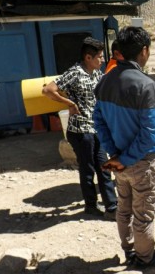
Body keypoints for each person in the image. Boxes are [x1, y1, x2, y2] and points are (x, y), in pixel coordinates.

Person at [92, 26, 155, 269]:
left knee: (123, 209)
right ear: (144, 51)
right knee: (143, 215)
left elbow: (99, 122)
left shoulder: (104, 81)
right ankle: (146, 258)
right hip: (142, 162)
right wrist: (126, 158)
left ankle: (129, 251)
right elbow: (148, 136)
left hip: (119, 161)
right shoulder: (145, 85)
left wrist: (115, 154)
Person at [42, 37, 117, 220]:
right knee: (88, 169)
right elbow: (48, 90)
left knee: (104, 167)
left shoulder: (98, 74)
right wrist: (69, 103)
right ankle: (91, 206)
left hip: (96, 129)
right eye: (98, 57)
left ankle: (112, 207)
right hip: (80, 131)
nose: (102, 60)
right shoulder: (75, 73)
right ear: (88, 57)